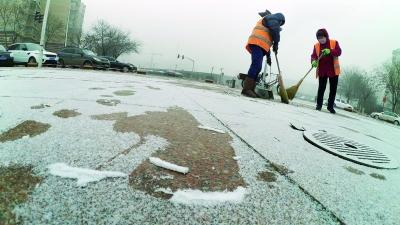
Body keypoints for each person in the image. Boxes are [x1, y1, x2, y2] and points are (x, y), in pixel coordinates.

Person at [242, 10, 285, 98]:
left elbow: (266, 41)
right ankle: (246, 89)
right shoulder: (273, 18)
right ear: (280, 20)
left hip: (260, 45)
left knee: (258, 67)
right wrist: (276, 43)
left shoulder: (270, 23)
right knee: (256, 65)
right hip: (256, 42)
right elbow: (275, 29)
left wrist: (269, 57)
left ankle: (251, 89)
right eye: (280, 24)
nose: (279, 25)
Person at [311, 28, 342, 113]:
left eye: (322, 38)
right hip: (322, 70)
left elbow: (339, 52)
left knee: (333, 89)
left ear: (326, 36)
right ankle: (319, 105)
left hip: (333, 70)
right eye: (319, 38)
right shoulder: (316, 46)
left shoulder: (334, 43)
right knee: (321, 88)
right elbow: (313, 55)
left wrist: (330, 51)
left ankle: (330, 106)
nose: (321, 40)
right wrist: (313, 61)